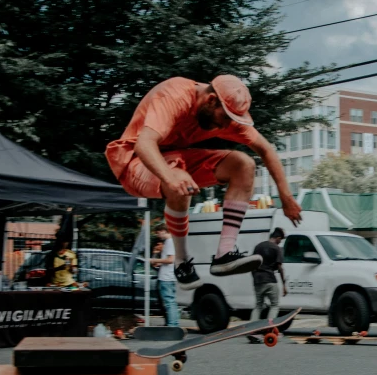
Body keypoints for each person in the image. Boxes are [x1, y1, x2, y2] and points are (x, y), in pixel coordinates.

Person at [105, 75, 302, 291]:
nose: (226, 125)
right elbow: (144, 144)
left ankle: (224, 254)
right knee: (178, 175)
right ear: (210, 101)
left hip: (175, 159)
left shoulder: (225, 115)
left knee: (243, 164)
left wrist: (286, 197)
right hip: (133, 162)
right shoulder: (174, 96)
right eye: (224, 118)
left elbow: (266, 149)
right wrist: (171, 176)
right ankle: (182, 261)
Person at [250, 228, 288, 323]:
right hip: (270, 280)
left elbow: (251, 264)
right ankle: (269, 327)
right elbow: (280, 268)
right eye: (281, 240)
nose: (280, 242)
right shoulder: (276, 248)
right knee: (274, 305)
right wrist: (284, 285)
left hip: (258, 280)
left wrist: (255, 277)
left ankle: (251, 328)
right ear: (278, 238)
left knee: (258, 305)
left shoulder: (258, 246)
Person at [150, 225, 179, 326]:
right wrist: (158, 260)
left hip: (167, 277)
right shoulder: (169, 242)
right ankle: (173, 324)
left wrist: (155, 260)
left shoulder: (170, 242)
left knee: (169, 302)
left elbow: (171, 260)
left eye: (158, 233)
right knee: (170, 301)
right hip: (167, 276)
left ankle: (173, 325)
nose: (158, 236)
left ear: (163, 231)